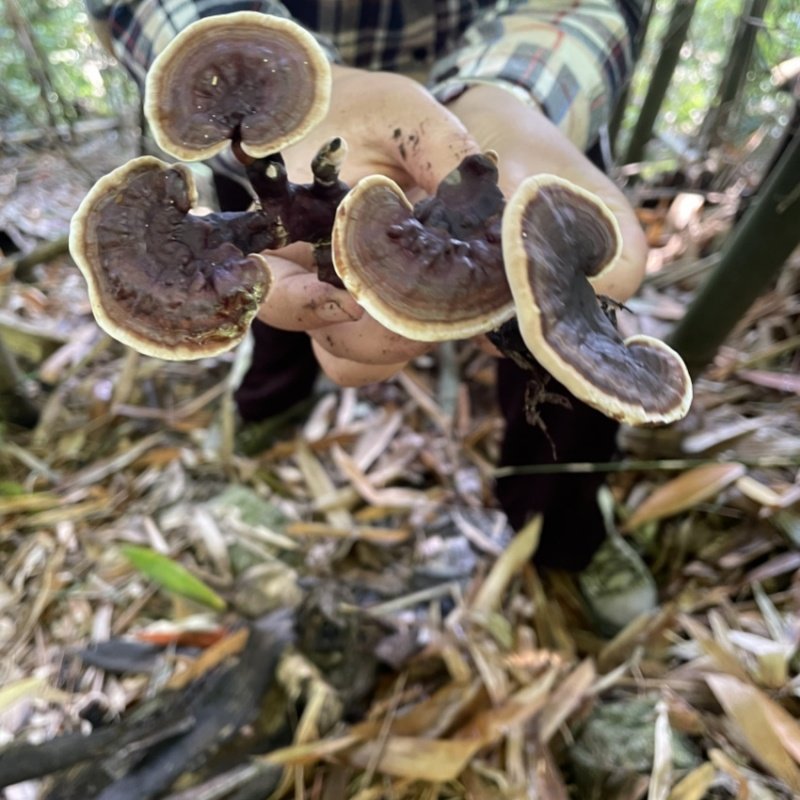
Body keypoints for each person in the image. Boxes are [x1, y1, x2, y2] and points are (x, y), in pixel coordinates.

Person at [85, 0, 655, 628]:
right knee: (282, 287)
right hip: (286, 120)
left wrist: (511, 96)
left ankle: (563, 534)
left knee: (547, 320)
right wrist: (293, 82)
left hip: (512, 113)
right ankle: (269, 412)